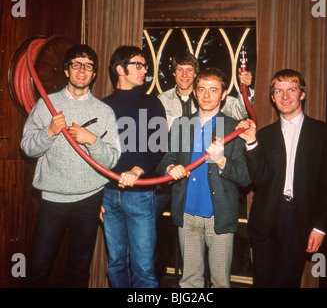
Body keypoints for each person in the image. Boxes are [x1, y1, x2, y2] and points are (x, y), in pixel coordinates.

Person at [20, 45, 121, 288]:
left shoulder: (104, 111)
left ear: (94, 73)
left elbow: (112, 160)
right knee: (38, 266)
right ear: (66, 70)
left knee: (79, 269)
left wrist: (92, 140)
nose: (82, 70)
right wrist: (50, 132)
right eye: (76, 64)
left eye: (88, 66)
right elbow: (27, 148)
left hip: (88, 200)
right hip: (53, 199)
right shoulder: (46, 105)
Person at [236, 69, 327, 288]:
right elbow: (259, 180)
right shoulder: (264, 135)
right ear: (272, 98)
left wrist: (320, 227)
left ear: (302, 94)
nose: (285, 97)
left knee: (287, 282)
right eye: (279, 92)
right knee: (263, 282)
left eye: (291, 90)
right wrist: (251, 143)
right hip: (266, 218)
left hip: (300, 220)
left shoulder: (323, 133)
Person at [156, 68, 251, 288]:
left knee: (220, 281)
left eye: (213, 90)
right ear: (195, 93)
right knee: (189, 281)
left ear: (223, 94)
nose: (207, 95)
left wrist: (221, 161)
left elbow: (245, 177)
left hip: (219, 216)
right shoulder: (181, 124)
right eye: (201, 89)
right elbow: (165, 160)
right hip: (186, 213)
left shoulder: (233, 128)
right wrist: (171, 167)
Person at [101, 45, 167, 288]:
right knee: (116, 263)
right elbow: (94, 155)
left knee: (143, 268)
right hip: (108, 194)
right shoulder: (102, 106)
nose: (144, 70)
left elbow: (158, 146)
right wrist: (95, 196)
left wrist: (136, 171)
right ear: (120, 69)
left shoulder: (152, 104)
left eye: (145, 65)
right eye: (137, 65)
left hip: (140, 194)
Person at [158, 51, 255, 130]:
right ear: (174, 73)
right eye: (180, 70)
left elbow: (240, 111)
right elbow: (163, 127)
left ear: (195, 73)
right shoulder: (163, 99)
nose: (184, 75)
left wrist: (244, 87)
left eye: (189, 70)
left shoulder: (208, 97)